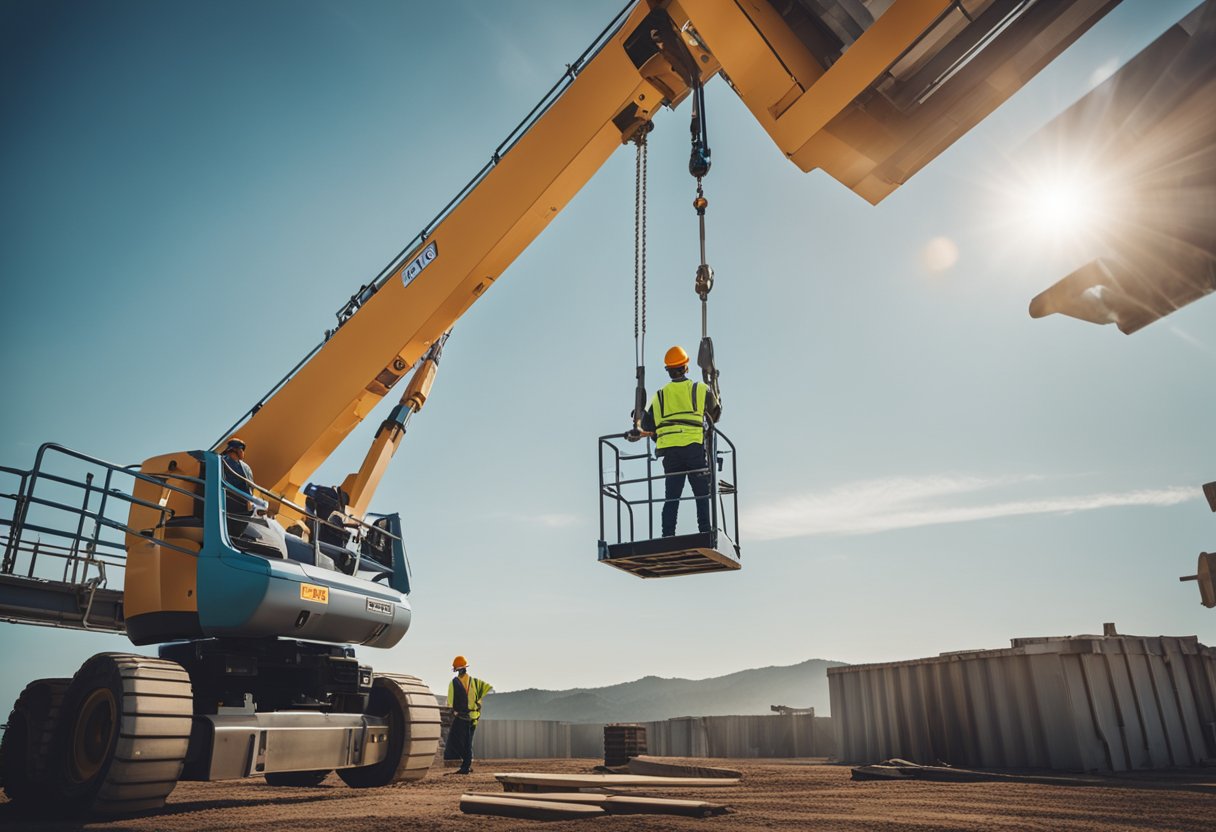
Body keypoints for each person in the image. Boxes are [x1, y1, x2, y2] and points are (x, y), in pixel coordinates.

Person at [641, 345, 721, 537]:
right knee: (702, 494)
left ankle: (667, 535)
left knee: (672, 497)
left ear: (668, 370)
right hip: (693, 449)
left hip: (670, 453)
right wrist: (715, 387)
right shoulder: (699, 389)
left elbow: (649, 425)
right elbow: (715, 414)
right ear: (686, 367)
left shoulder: (659, 396)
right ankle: (705, 532)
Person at [446, 655, 493, 774]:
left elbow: (450, 703)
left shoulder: (454, 683)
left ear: (456, 669)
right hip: (474, 718)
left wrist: (454, 712)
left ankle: (465, 766)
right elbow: (487, 691)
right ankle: (467, 764)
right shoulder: (475, 682)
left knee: (458, 741)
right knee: (468, 742)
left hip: (462, 717)